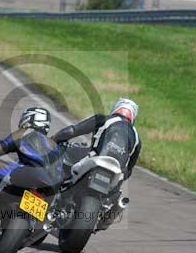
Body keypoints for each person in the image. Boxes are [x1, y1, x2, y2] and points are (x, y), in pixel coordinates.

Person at [52, 98, 141, 230]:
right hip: (116, 175)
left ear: (116, 108)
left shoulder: (104, 119)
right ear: (133, 116)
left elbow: (73, 131)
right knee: (115, 197)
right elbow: (129, 169)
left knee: (61, 159)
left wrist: (53, 140)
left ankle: (52, 194)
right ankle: (104, 214)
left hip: (93, 161)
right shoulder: (137, 138)